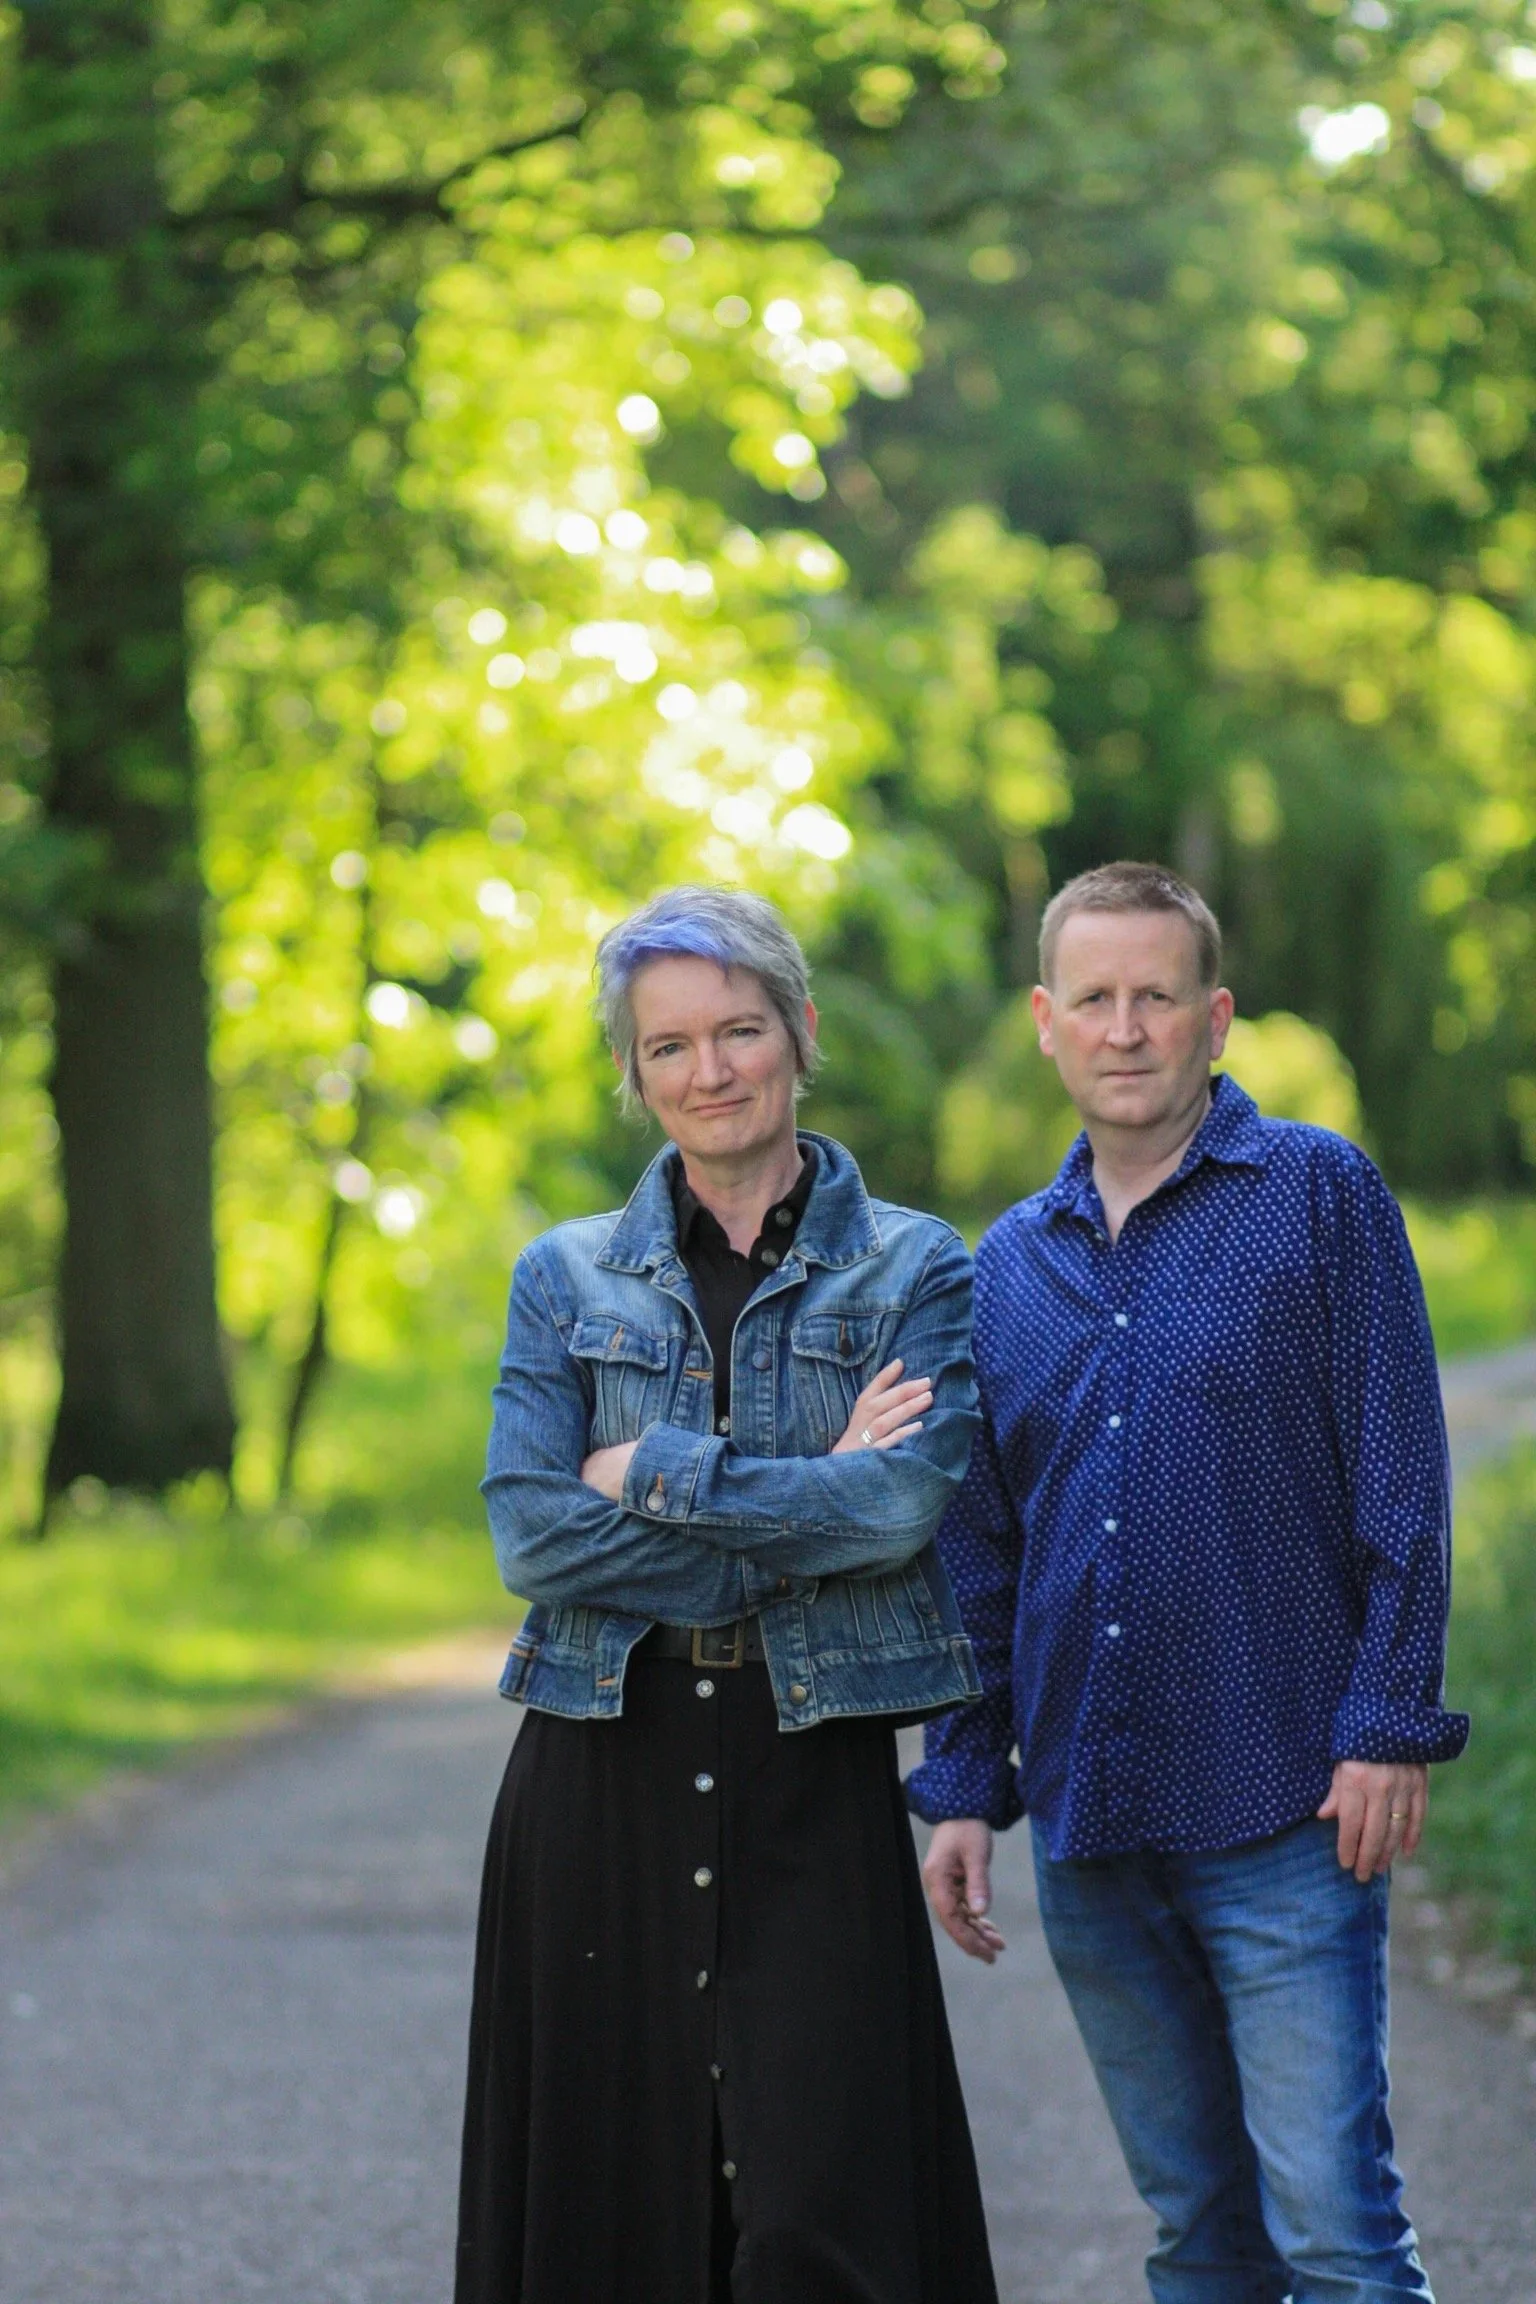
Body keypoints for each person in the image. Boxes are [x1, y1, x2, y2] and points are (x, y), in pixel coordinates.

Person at [909, 860, 1469, 2304]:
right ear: (1045, 1021)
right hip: (1094, 1825)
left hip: (1288, 1799)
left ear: (1215, 1019)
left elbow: (1401, 1473)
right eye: (1093, 998)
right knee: (1194, 2237)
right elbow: (981, 1551)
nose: (1125, 1027)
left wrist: (1389, 1720)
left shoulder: (1318, 1197)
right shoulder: (1006, 1271)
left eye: (1157, 996)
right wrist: (965, 1782)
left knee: (1337, 2235)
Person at [456, 884, 998, 2304]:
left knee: (826, 2203)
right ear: (634, 1075)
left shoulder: (915, 1268)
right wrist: (806, 1493)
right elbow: (533, 1535)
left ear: (801, 1032)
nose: (711, 1072)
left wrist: (653, 1468)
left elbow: (899, 1510)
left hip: (808, 1765)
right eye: (670, 1047)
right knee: (604, 2208)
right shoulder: (562, 1278)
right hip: (597, 1765)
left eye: (740, 1031)